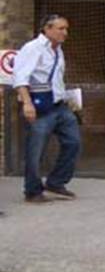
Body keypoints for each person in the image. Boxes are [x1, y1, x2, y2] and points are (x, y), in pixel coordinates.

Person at [12, 13, 81, 204]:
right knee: (36, 150)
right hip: (39, 106)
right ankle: (32, 191)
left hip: (59, 105)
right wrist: (27, 103)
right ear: (47, 29)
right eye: (61, 29)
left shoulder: (57, 50)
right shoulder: (33, 49)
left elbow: (56, 80)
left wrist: (69, 98)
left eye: (66, 29)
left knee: (73, 142)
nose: (65, 33)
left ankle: (56, 182)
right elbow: (20, 78)